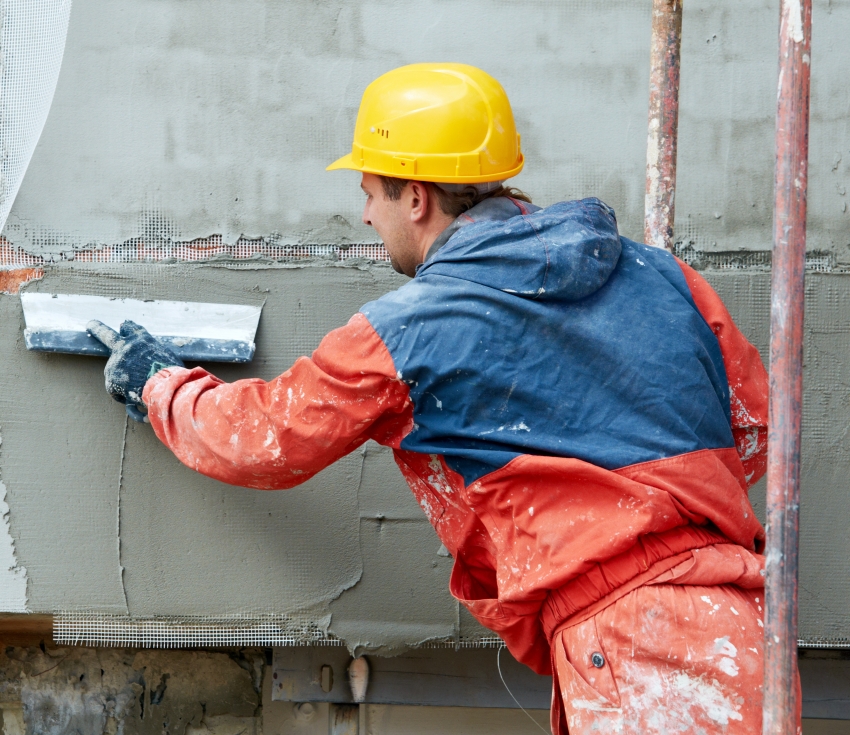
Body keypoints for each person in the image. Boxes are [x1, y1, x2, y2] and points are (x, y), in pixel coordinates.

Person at [89, 63, 789, 734]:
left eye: (370, 192)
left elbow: (263, 436)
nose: (365, 216)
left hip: (637, 645)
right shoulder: (662, 275)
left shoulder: (413, 328)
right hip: (740, 622)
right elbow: (752, 432)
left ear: (416, 197)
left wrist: (159, 383)